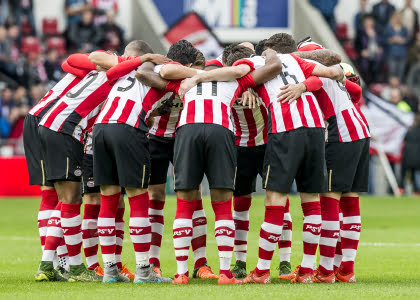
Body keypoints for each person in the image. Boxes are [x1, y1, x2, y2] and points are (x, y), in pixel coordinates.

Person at [35, 42, 165, 282]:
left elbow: (69, 61)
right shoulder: (123, 71)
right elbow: (84, 59)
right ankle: (77, 268)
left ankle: (48, 264)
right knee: (74, 200)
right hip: (68, 129)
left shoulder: (108, 72)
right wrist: (140, 59)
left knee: (70, 199)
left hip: (53, 124)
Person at [223, 33, 343, 284]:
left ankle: (262, 271)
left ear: (268, 49)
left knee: (274, 199)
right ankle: (307, 271)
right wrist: (303, 85)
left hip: (286, 131)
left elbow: (234, 74)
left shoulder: (257, 62)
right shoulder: (299, 62)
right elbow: (334, 72)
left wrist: (241, 85)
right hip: (315, 130)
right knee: (311, 201)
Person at [158, 44, 282, 285]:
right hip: (220, 129)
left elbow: (163, 73)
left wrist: (193, 75)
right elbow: (267, 72)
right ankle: (225, 274)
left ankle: (181, 273)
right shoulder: (236, 79)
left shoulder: (186, 77)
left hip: (188, 130)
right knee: (223, 202)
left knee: (185, 202)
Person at [91, 42, 174, 284]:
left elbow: (104, 68)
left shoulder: (121, 71)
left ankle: (109, 270)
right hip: (128, 128)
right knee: (139, 197)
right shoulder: (158, 71)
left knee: (108, 198)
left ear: (130, 56)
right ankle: (143, 270)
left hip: (101, 128)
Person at [288, 41, 370, 283]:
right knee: (350, 201)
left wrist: (301, 86)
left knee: (329, 200)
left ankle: (325, 271)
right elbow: (357, 92)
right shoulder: (337, 74)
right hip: (360, 130)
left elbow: (314, 82)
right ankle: (345, 269)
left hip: (341, 134)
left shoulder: (315, 71)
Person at [140, 51, 217, 279]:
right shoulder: (160, 76)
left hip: (184, 137)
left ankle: (200, 264)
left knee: (194, 195)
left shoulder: (200, 78)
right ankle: (154, 263)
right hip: (155, 138)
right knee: (155, 196)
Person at [28, 59, 92, 281]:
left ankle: (54, 262)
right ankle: (57, 262)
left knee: (51, 194)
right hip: (50, 120)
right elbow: (67, 63)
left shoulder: (84, 72)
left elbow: (67, 64)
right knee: (63, 195)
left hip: (39, 116)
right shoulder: (95, 76)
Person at [355, 15, 384, 84]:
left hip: (376, 55)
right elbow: (356, 44)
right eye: (367, 21)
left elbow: (382, 43)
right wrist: (361, 51)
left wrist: (380, 48)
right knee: (365, 71)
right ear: (364, 23)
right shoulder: (360, 32)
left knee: (377, 69)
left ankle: (374, 85)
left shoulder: (378, 31)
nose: (369, 23)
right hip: (365, 56)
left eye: (370, 21)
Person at [383, 12, 409, 81]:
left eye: (398, 17)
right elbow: (384, 40)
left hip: (402, 53)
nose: (397, 19)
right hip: (391, 53)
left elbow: (408, 40)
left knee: (401, 72)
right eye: (395, 17)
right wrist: (392, 39)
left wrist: (401, 40)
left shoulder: (404, 28)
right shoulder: (388, 28)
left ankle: (398, 89)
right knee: (392, 71)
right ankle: (391, 88)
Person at [399, 114, 420, 195]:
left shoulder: (409, 131)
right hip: (418, 158)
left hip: (407, 157)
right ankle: (416, 192)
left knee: (403, 175)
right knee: (415, 176)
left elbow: (403, 142)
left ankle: (400, 190)